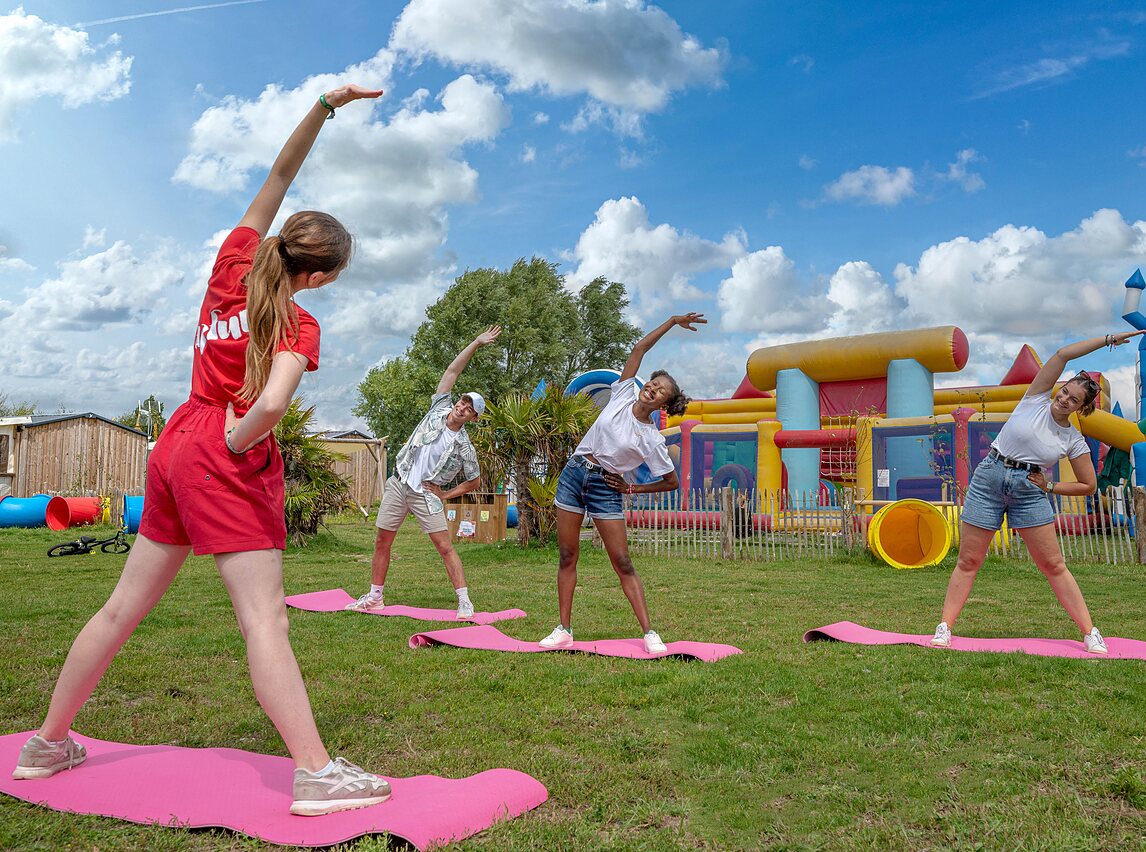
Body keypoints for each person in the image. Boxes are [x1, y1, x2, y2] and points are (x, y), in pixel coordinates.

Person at [13, 85, 394, 817]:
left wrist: (324, 106)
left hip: (174, 442)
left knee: (120, 609)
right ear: (317, 277)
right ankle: (315, 773)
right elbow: (273, 404)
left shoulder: (232, 262)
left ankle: (47, 743)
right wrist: (238, 440)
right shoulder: (298, 323)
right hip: (221, 451)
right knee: (265, 621)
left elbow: (278, 175)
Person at [930, 331, 1143, 654]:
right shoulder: (1035, 399)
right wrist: (1108, 339)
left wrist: (1051, 486)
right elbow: (1062, 354)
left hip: (1028, 490)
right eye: (1065, 391)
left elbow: (1089, 484)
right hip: (989, 478)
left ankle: (1090, 633)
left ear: (1081, 407)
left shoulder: (1073, 440)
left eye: (1073, 400)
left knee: (1053, 565)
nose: (1064, 399)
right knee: (969, 560)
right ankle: (944, 627)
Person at [539, 313, 704, 653]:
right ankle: (564, 629)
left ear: (664, 404)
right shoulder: (622, 394)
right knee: (567, 555)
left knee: (622, 562)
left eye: (660, 391)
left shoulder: (652, 439)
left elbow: (671, 481)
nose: (652, 389)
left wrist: (631, 489)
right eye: (653, 384)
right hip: (573, 474)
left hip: (605, 488)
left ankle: (649, 633)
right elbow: (639, 349)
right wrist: (672, 322)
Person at [346, 327, 501, 616]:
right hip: (399, 482)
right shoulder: (439, 408)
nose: (461, 408)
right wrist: (476, 343)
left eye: (469, 409)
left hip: (426, 495)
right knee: (382, 541)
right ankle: (375, 597)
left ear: (473, 418)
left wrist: (445, 494)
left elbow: (474, 480)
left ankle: (464, 602)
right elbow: (452, 371)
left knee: (444, 547)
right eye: (462, 402)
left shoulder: (464, 447)